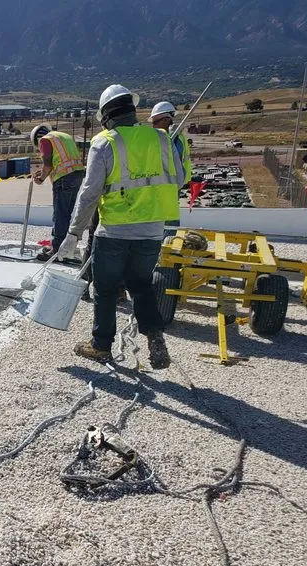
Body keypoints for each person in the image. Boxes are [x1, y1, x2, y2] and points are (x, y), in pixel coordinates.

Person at [59, 85, 184, 370]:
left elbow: (89, 194)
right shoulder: (160, 138)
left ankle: (101, 345)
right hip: (152, 230)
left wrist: (73, 233)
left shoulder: (104, 143)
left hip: (114, 230)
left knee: (104, 288)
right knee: (141, 285)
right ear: (132, 110)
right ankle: (155, 338)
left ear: (106, 117)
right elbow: (178, 179)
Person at [30, 124, 85, 262]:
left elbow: (48, 165)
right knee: (66, 213)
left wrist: (41, 179)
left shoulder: (45, 140)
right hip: (77, 175)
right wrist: (45, 172)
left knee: (60, 214)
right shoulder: (64, 136)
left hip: (64, 178)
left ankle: (56, 250)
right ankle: (62, 246)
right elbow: (61, 160)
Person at [150, 101, 193, 237]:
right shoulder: (167, 138)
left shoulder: (175, 139)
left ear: (167, 119)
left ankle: (168, 243)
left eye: (156, 122)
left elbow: (173, 164)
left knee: (168, 219)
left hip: (170, 184)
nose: (153, 126)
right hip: (163, 184)